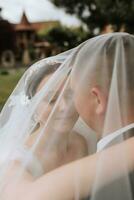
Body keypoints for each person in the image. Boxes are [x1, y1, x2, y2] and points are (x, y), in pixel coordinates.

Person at [0, 32, 134, 200]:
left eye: (71, 95)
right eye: (51, 100)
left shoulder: (89, 136)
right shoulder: (14, 160)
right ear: (32, 107)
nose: (64, 107)